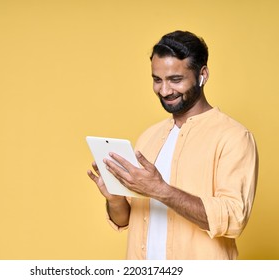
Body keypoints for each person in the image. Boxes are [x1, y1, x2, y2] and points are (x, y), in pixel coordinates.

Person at [87, 30, 258, 260]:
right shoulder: (149, 136)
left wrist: (161, 190)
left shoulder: (234, 137)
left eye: (175, 80)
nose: (165, 91)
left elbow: (234, 217)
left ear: (202, 74)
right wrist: (115, 199)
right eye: (157, 80)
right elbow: (125, 219)